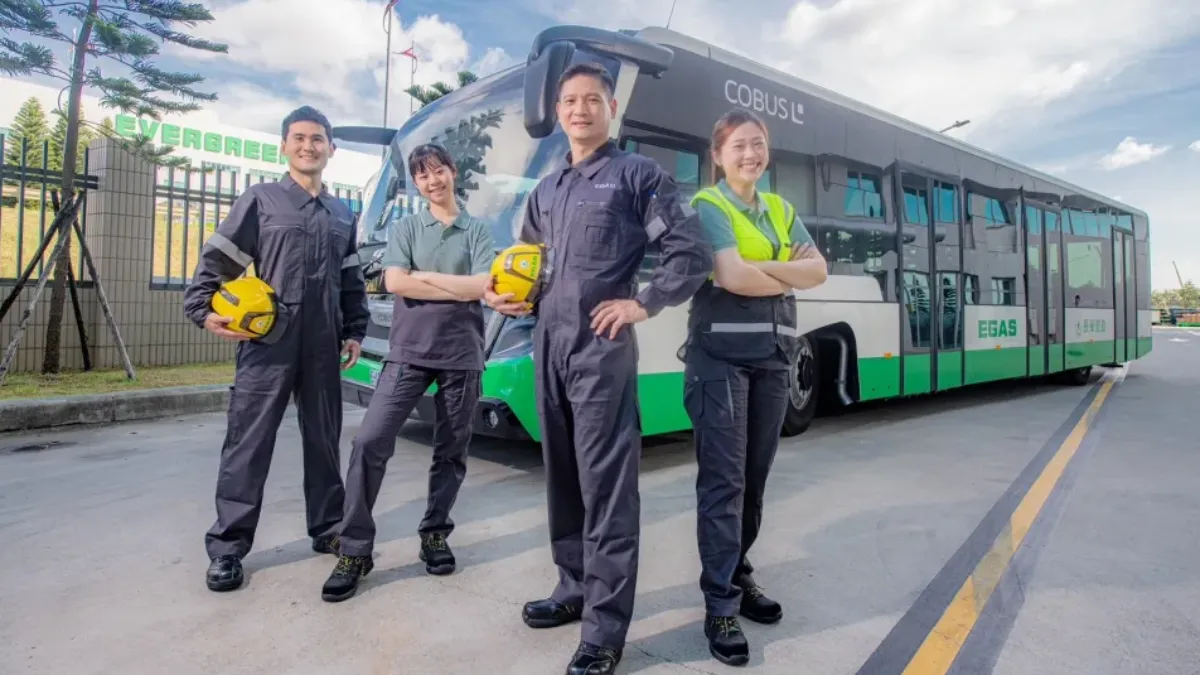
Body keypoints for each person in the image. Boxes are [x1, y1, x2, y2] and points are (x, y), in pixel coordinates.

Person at [485, 62, 713, 675]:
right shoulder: (547, 190)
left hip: (600, 352)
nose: (579, 109)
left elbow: (689, 250)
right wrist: (511, 296)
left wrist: (644, 301)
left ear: (611, 109)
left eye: (592, 100)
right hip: (547, 349)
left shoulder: (637, 176)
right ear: (558, 114)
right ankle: (573, 587)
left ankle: (606, 629)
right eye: (569, 101)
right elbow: (528, 267)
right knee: (561, 476)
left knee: (607, 490)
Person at [182, 106, 369, 593]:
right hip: (268, 342)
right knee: (248, 443)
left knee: (324, 440)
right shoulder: (261, 201)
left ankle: (327, 528)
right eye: (299, 138)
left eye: (318, 139)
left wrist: (354, 329)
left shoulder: (343, 213)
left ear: (332, 148)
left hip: (325, 343)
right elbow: (219, 261)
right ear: (284, 146)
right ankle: (227, 547)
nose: (309, 146)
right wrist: (203, 308)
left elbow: (350, 280)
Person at [682, 108, 828, 666]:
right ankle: (719, 603)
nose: (751, 154)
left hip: (772, 360)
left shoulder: (781, 208)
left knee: (754, 479)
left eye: (759, 144)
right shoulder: (708, 206)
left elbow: (819, 271)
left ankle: (738, 575)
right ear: (718, 155)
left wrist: (764, 267)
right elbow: (730, 275)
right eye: (739, 145)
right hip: (719, 361)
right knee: (723, 483)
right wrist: (784, 268)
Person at [320, 144, 495, 602]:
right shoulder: (406, 227)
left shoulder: (476, 230)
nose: (432, 181)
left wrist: (426, 277)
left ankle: (435, 532)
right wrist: (455, 287)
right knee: (369, 442)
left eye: (439, 171)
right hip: (408, 353)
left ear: (453, 172)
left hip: (461, 354)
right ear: (416, 184)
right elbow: (394, 282)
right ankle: (356, 548)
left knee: (451, 451)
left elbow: (483, 286)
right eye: (422, 176)